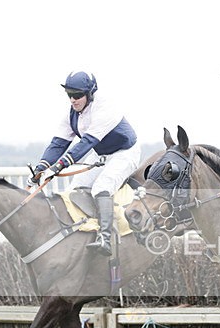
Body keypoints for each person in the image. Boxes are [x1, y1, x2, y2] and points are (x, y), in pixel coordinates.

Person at [29, 71, 141, 256]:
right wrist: (41, 168)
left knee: (101, 188)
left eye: (77, 95)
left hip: (124, 153)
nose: (73, 100)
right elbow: (58, 143)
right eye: (69, 95)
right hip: (102, 154)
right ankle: (86, 229)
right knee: (76, 189)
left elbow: (88, 142)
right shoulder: (71, 115)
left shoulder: (105, 108)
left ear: (90, 94)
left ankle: (106, 238)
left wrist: (59, 166)